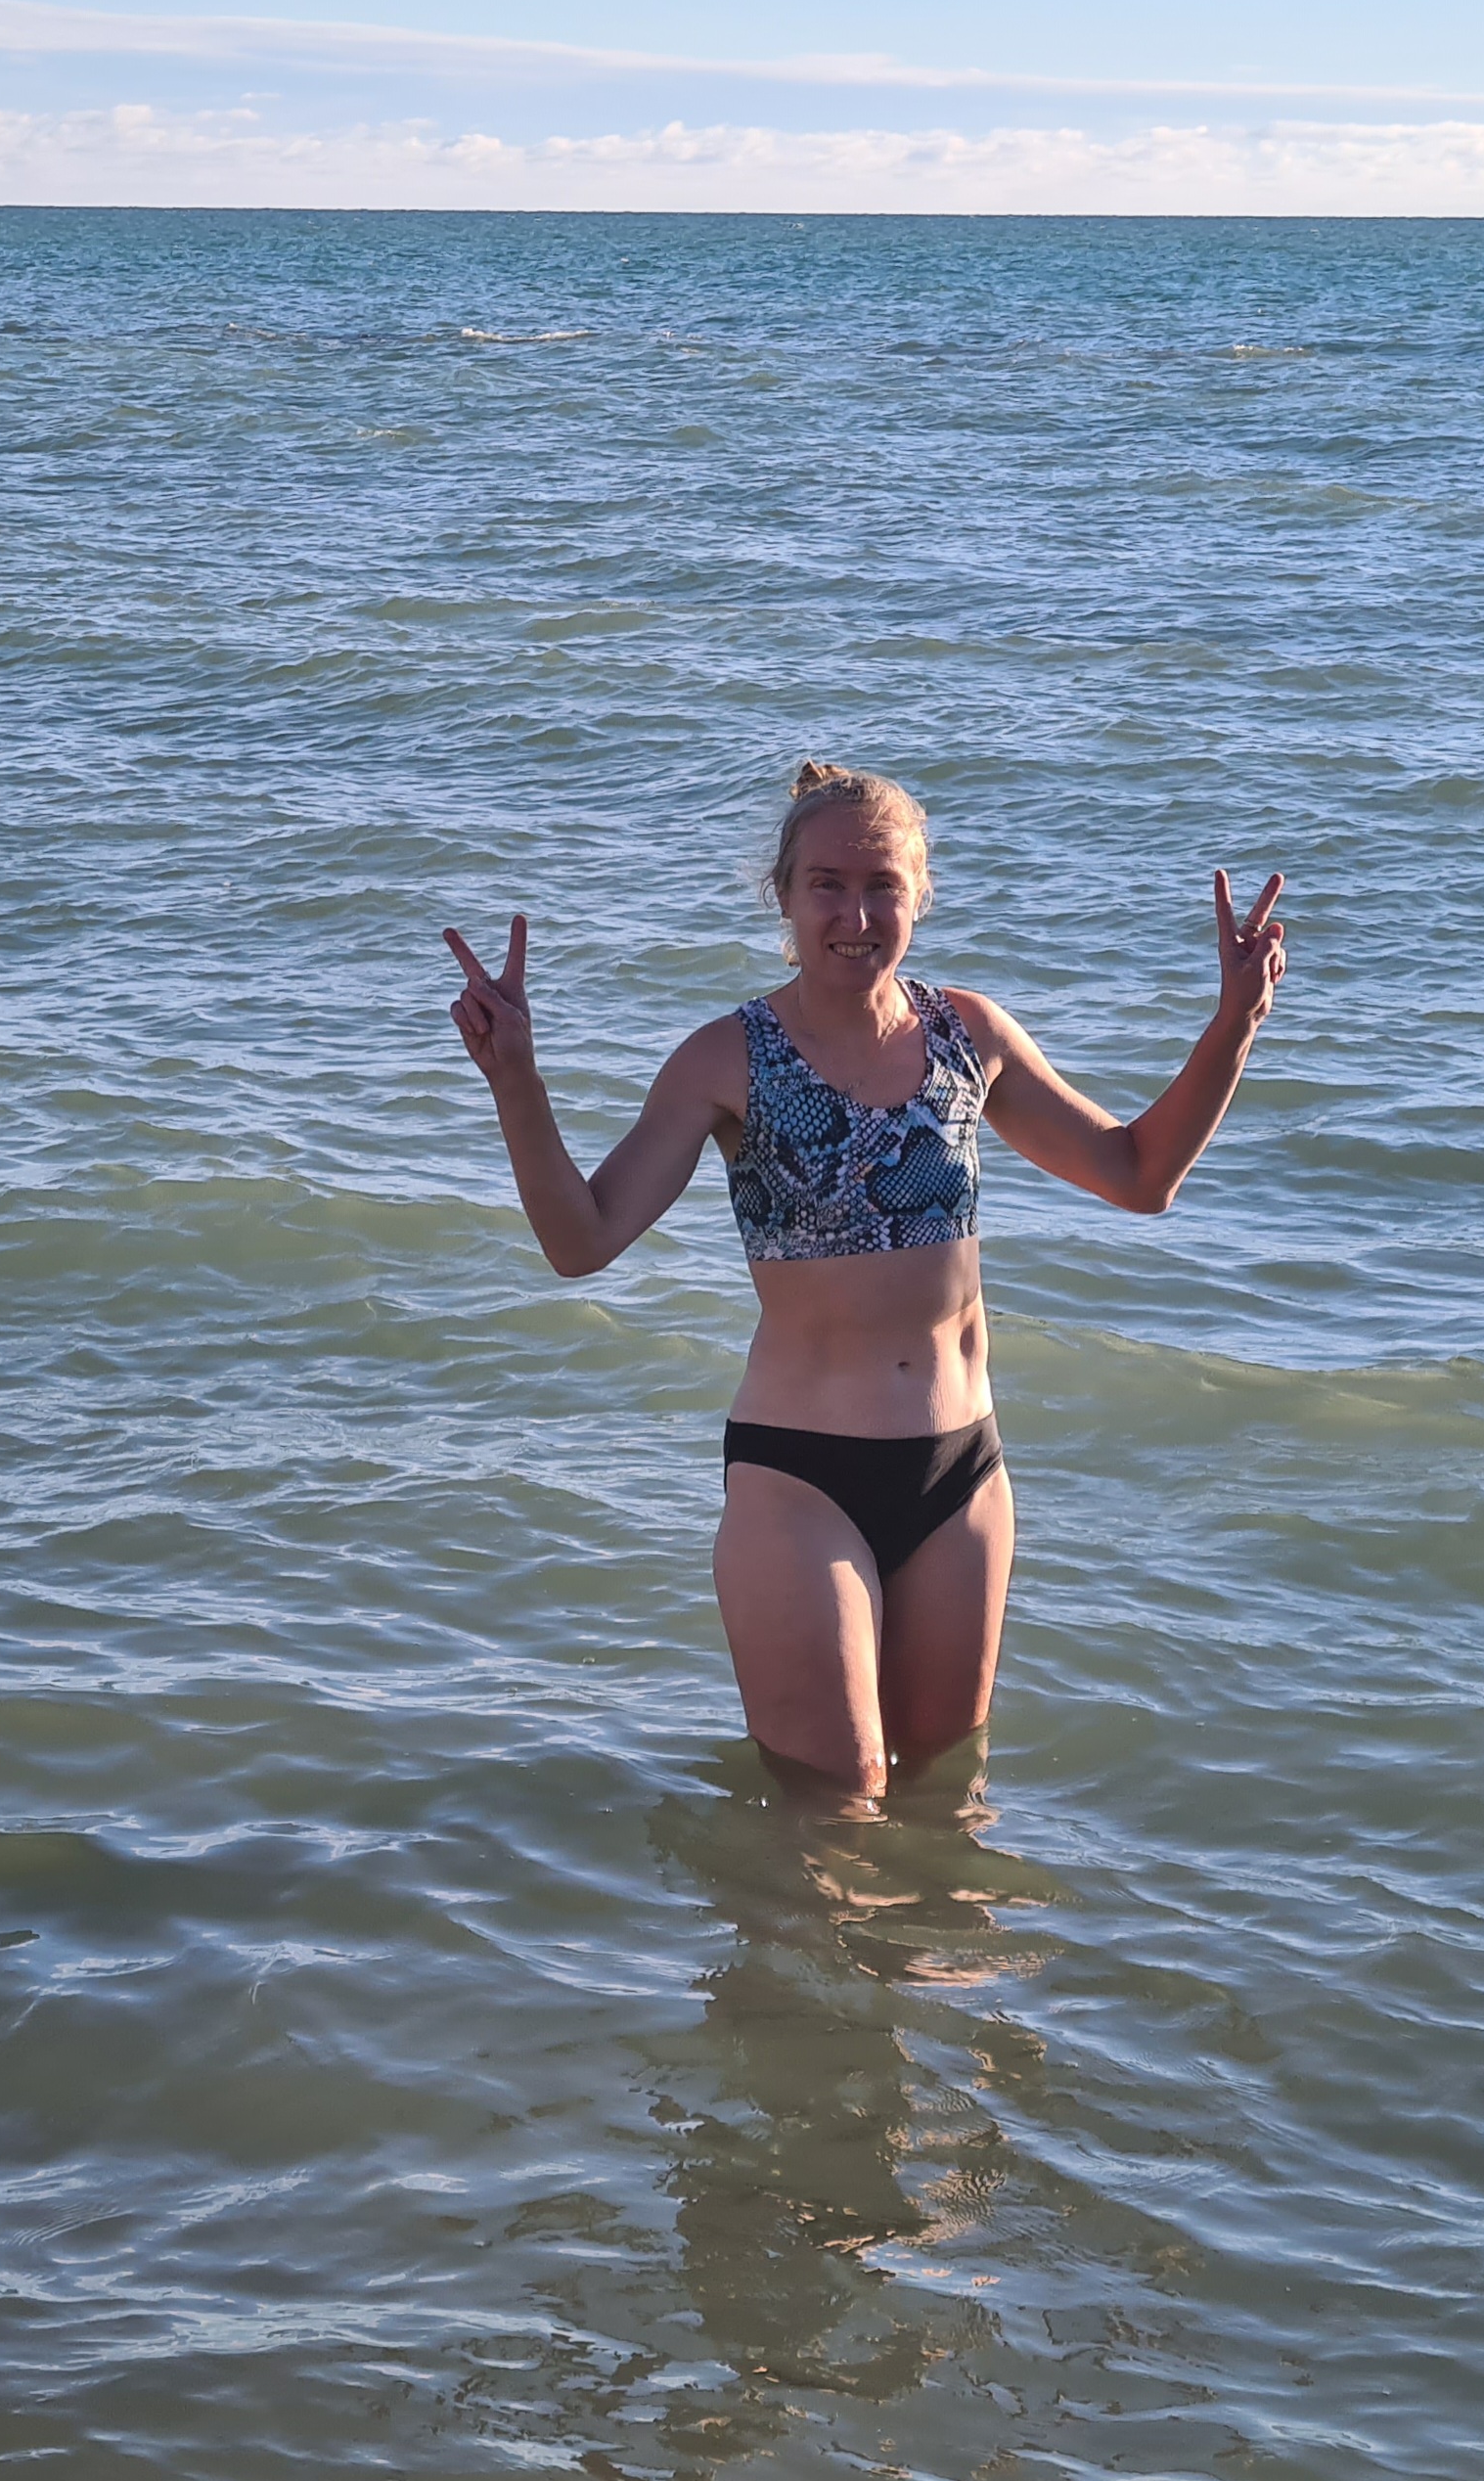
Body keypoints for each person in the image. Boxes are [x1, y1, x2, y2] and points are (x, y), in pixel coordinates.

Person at [443, 761, 1286, 1806]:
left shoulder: (969, 1034)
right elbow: (584, 1240)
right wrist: (516, 1081)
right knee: (832, 1808)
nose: (855, 915)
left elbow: (1139, 1175)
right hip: (800, 1480)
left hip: (962, 1473)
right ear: (784, 898)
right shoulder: (725, 1060)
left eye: (882, 885)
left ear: (919, 894)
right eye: (827, 886)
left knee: (942, 1803)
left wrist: (1234, 1024)